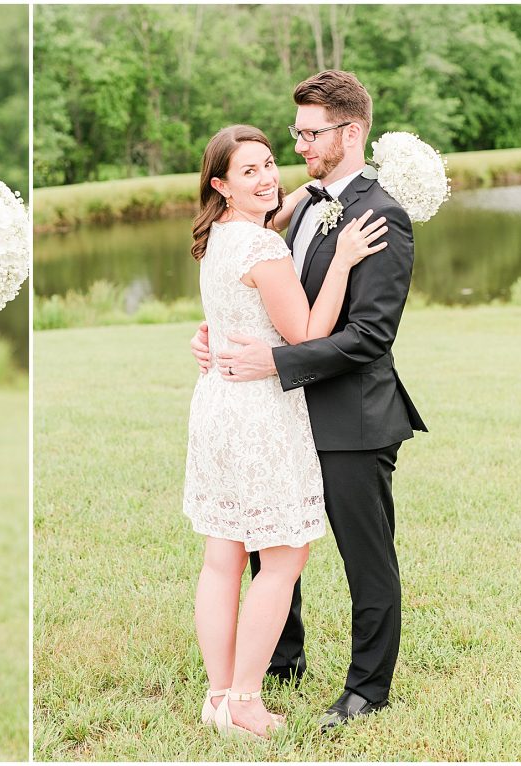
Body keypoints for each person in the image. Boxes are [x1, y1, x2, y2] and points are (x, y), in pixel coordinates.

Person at [191, 70, 427, 731]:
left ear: (351, 133)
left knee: (366, 557)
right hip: (282, 414)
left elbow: (370, 337)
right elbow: (259, 293)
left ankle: (367, 689)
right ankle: (281, 660)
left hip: (353, 416)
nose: (298, 146)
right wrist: (216, 333)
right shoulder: (293, 209)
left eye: (308, 133)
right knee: (271, 548)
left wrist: (277, 359)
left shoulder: (383, 216)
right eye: (294, 133)